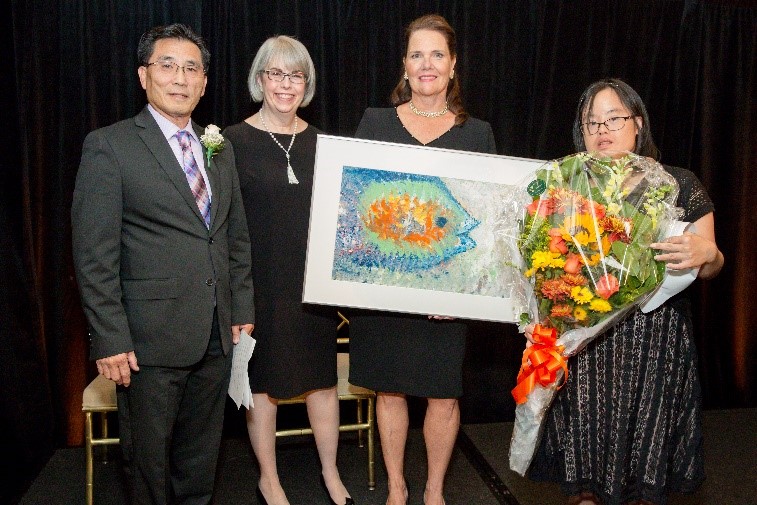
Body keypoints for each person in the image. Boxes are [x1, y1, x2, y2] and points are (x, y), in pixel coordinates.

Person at [72, 24, 255, 505]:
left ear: (204, 81)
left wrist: (241, 309)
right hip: (146, 343)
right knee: (148, 466)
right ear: (143, 75)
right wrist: (109, 337)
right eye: (167, 65)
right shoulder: (110, 146)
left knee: (200, 462)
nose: (180, 78)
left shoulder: (219, 147)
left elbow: (233, 236)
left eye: (191, 68)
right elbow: (94, 255)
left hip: (216, 335)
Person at [525, 78, 724, 505]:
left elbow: (712, 265)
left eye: (613, 118)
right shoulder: (565, 186)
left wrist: (707, 253)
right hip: (585, 346)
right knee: (585, 475)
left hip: (655, 345)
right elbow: (538, 265)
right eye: (591, 121)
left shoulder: (676, 183)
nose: (602, 129)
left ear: (637, 123)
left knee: (644, 473)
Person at [348, 14, 496, 505]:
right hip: (384, 292)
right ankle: (397, 487)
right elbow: (355, 210)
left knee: (442, 395)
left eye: (437, 54)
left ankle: (433, 490)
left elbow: (486, 224)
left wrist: (460, 292)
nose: (426, 64)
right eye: (416, 54)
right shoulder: (374, 123)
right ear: (404, 66)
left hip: (446, 300)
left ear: (453, 66)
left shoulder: (478, 134)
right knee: (389, 391)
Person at [223, 36, 353, 505]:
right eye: (275, 74)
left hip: (311, 287)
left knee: (322, 380)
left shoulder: (324, 143)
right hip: (256, 287)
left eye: (295, 75)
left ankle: (331, 472)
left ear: (307, 84)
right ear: (260, 80)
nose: (285, 84)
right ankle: (269, 479)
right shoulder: (231, 142)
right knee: (263, 386)